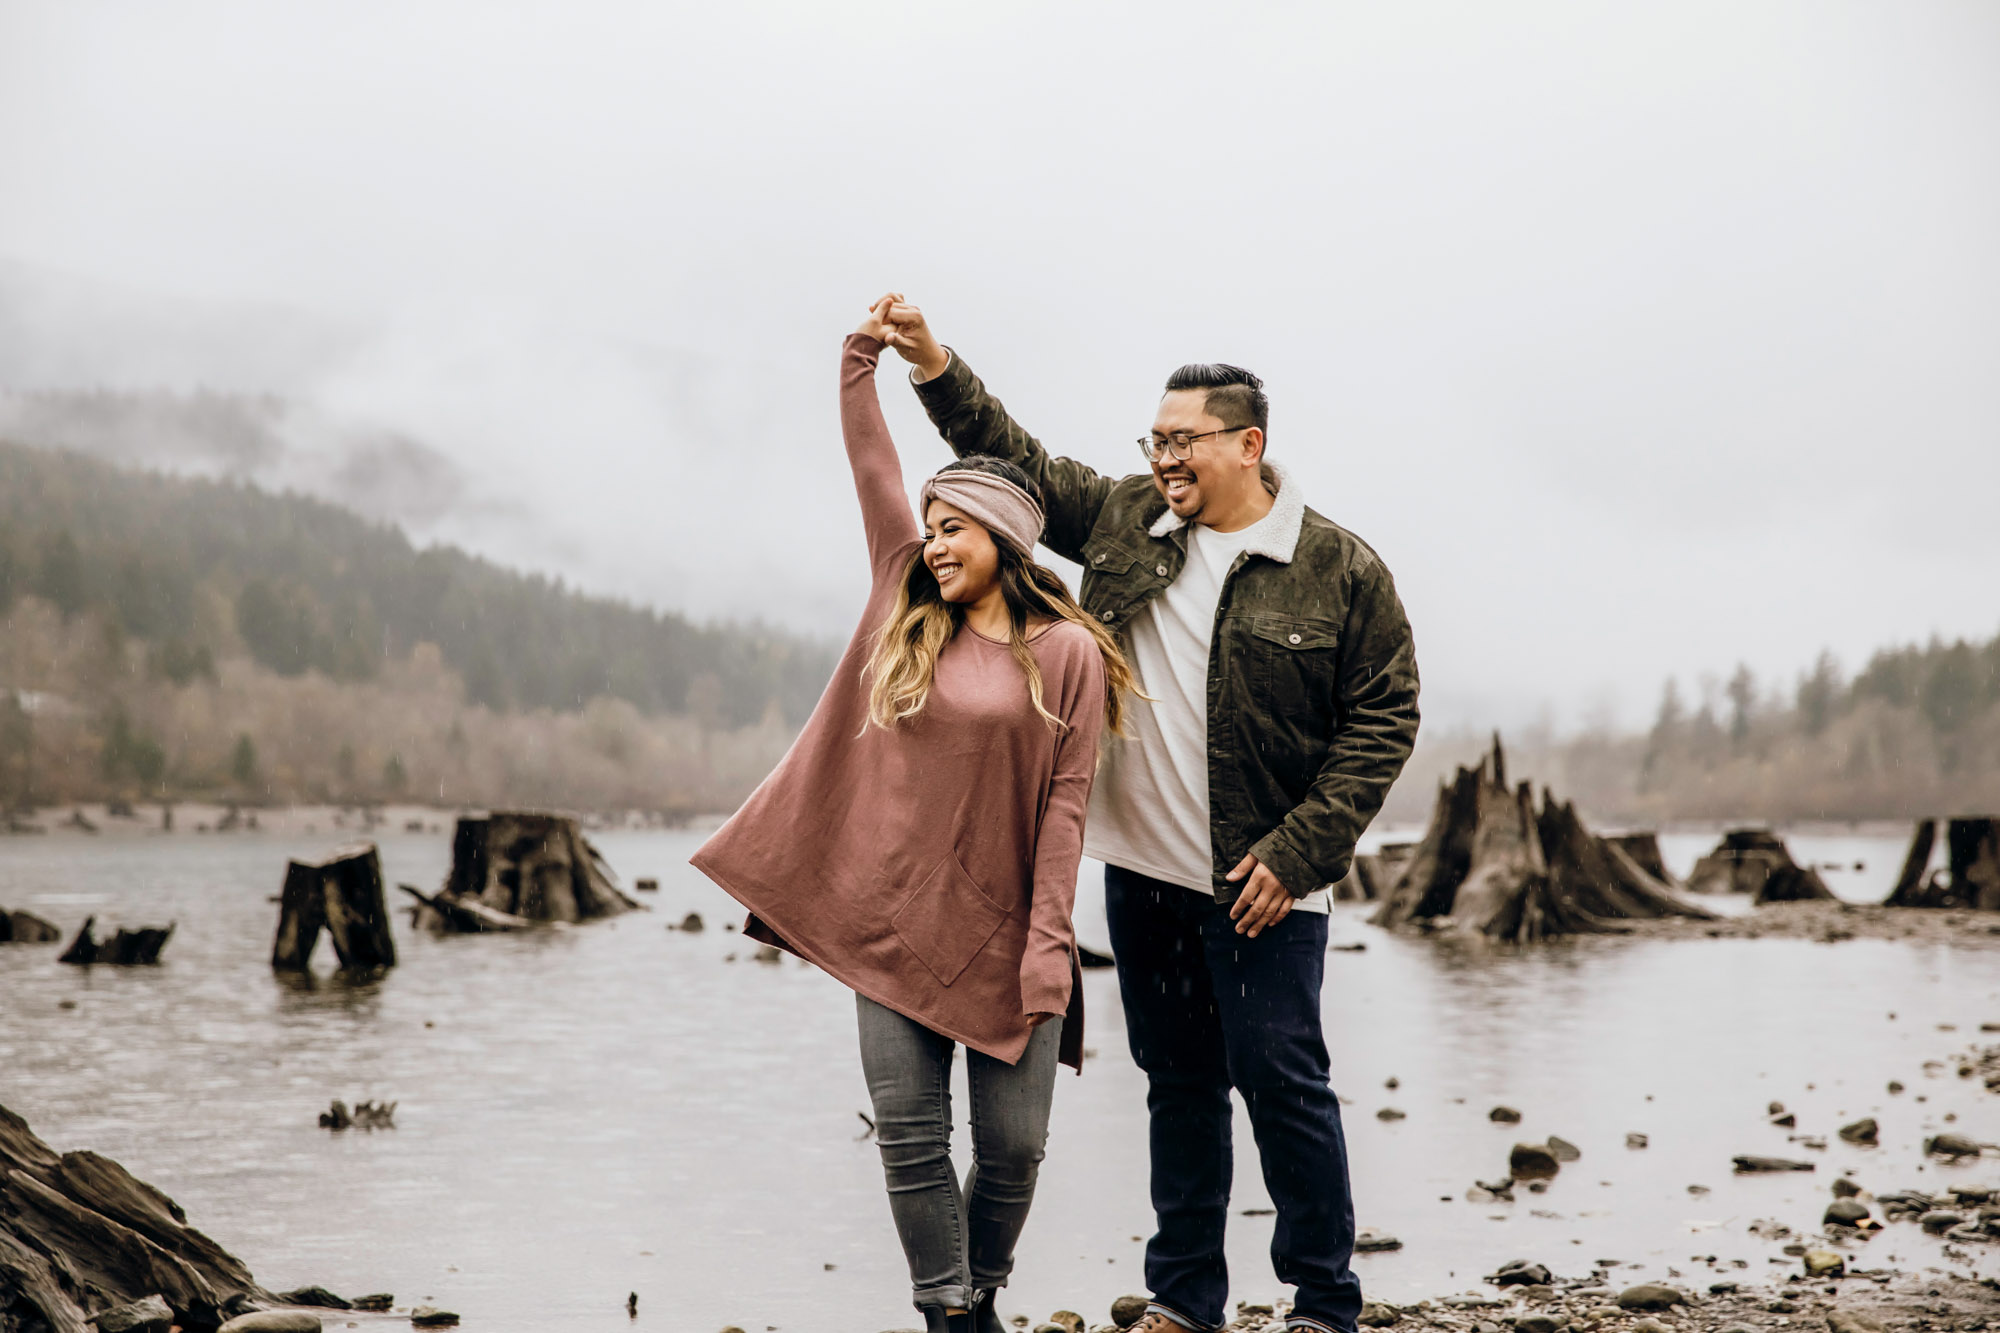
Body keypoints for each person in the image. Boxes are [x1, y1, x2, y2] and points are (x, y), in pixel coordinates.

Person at [878, 300, 1420, 1333]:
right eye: (1155, 439)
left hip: (1265, 881)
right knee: (1176, 1086)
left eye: (1181, 440)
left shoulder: (1339, 569)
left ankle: (1321, 1300)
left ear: (1246, 443)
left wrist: (1299, 851)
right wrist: (931, 364)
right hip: (1144, 876)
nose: (1162, 456)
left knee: (1284, 1083)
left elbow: (1382, 718)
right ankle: (1184, 1298)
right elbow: (1011, 459)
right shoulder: (1126, 520)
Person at [691, 296, 1139, 1333]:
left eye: (953, 529)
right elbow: (871, 471)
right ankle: (948, 1313)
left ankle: (980, 1288)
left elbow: (1064, 812)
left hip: (1008, 933)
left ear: (1004, 537)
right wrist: (860, 363)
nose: (933, 543)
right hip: (889, 924)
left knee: (1015, 1148)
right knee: (908, 1136)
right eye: (928, 528)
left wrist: (1046, 948)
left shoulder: (1066, 654)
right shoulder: (904, 601)